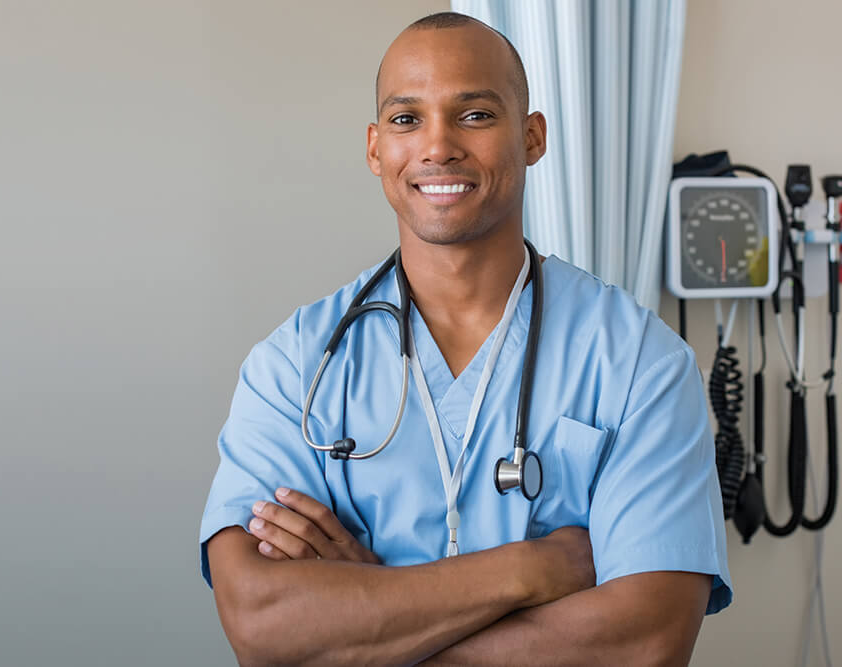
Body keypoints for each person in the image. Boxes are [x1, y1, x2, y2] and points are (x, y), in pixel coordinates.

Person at [200, 11, 732, 666]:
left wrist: (363, 617)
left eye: (475, 114)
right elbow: (262, 623)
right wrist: (532, 568)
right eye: (406, 119)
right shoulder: (294, 366)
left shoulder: (639, 362)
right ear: (374, 148)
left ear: (532, 136)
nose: (438, 145)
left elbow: (645, 642)